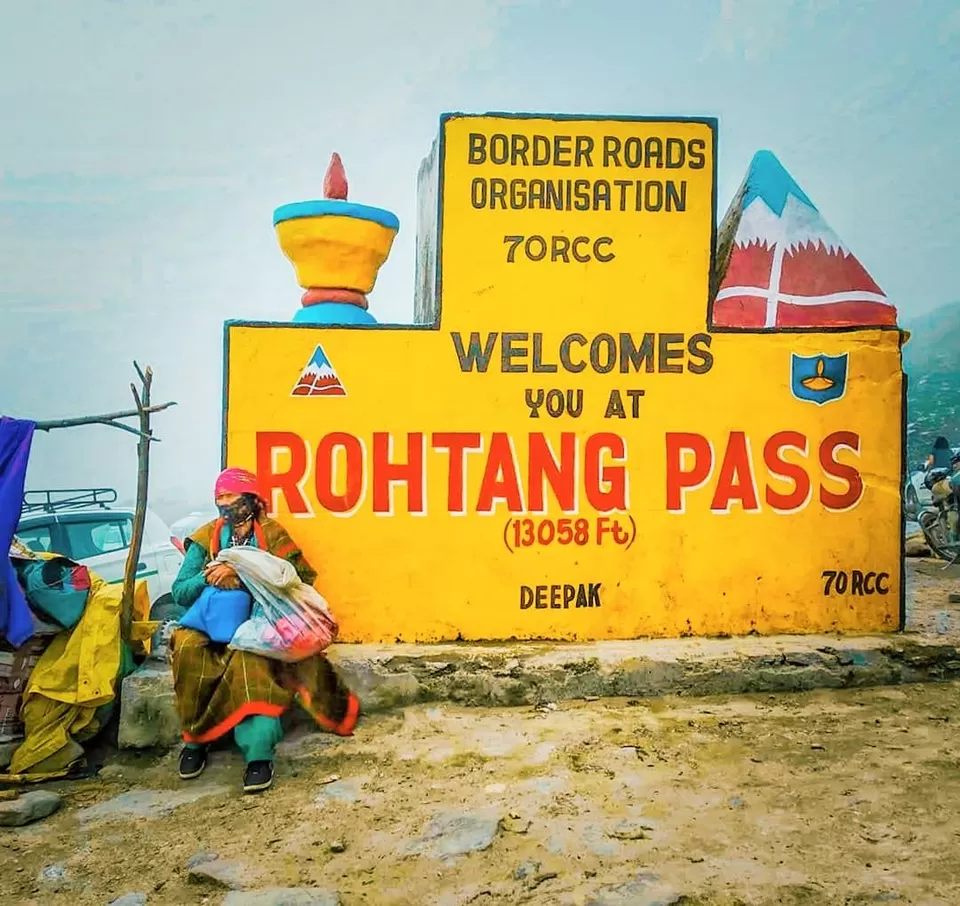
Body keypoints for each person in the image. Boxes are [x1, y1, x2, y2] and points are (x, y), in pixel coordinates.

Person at [169, 467, 359, 793]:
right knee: (187, 649)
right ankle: (196, 741)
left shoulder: (272, 534)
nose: (224, 503)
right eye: (219, 497)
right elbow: (180, 591)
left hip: (259, 620)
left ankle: (258, 755)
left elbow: (300, 578)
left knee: (250, 661)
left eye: (230, 496)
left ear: (251, 498)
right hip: (210, 621)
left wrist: (247, 576)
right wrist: (210, 577)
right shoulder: (205, 538)